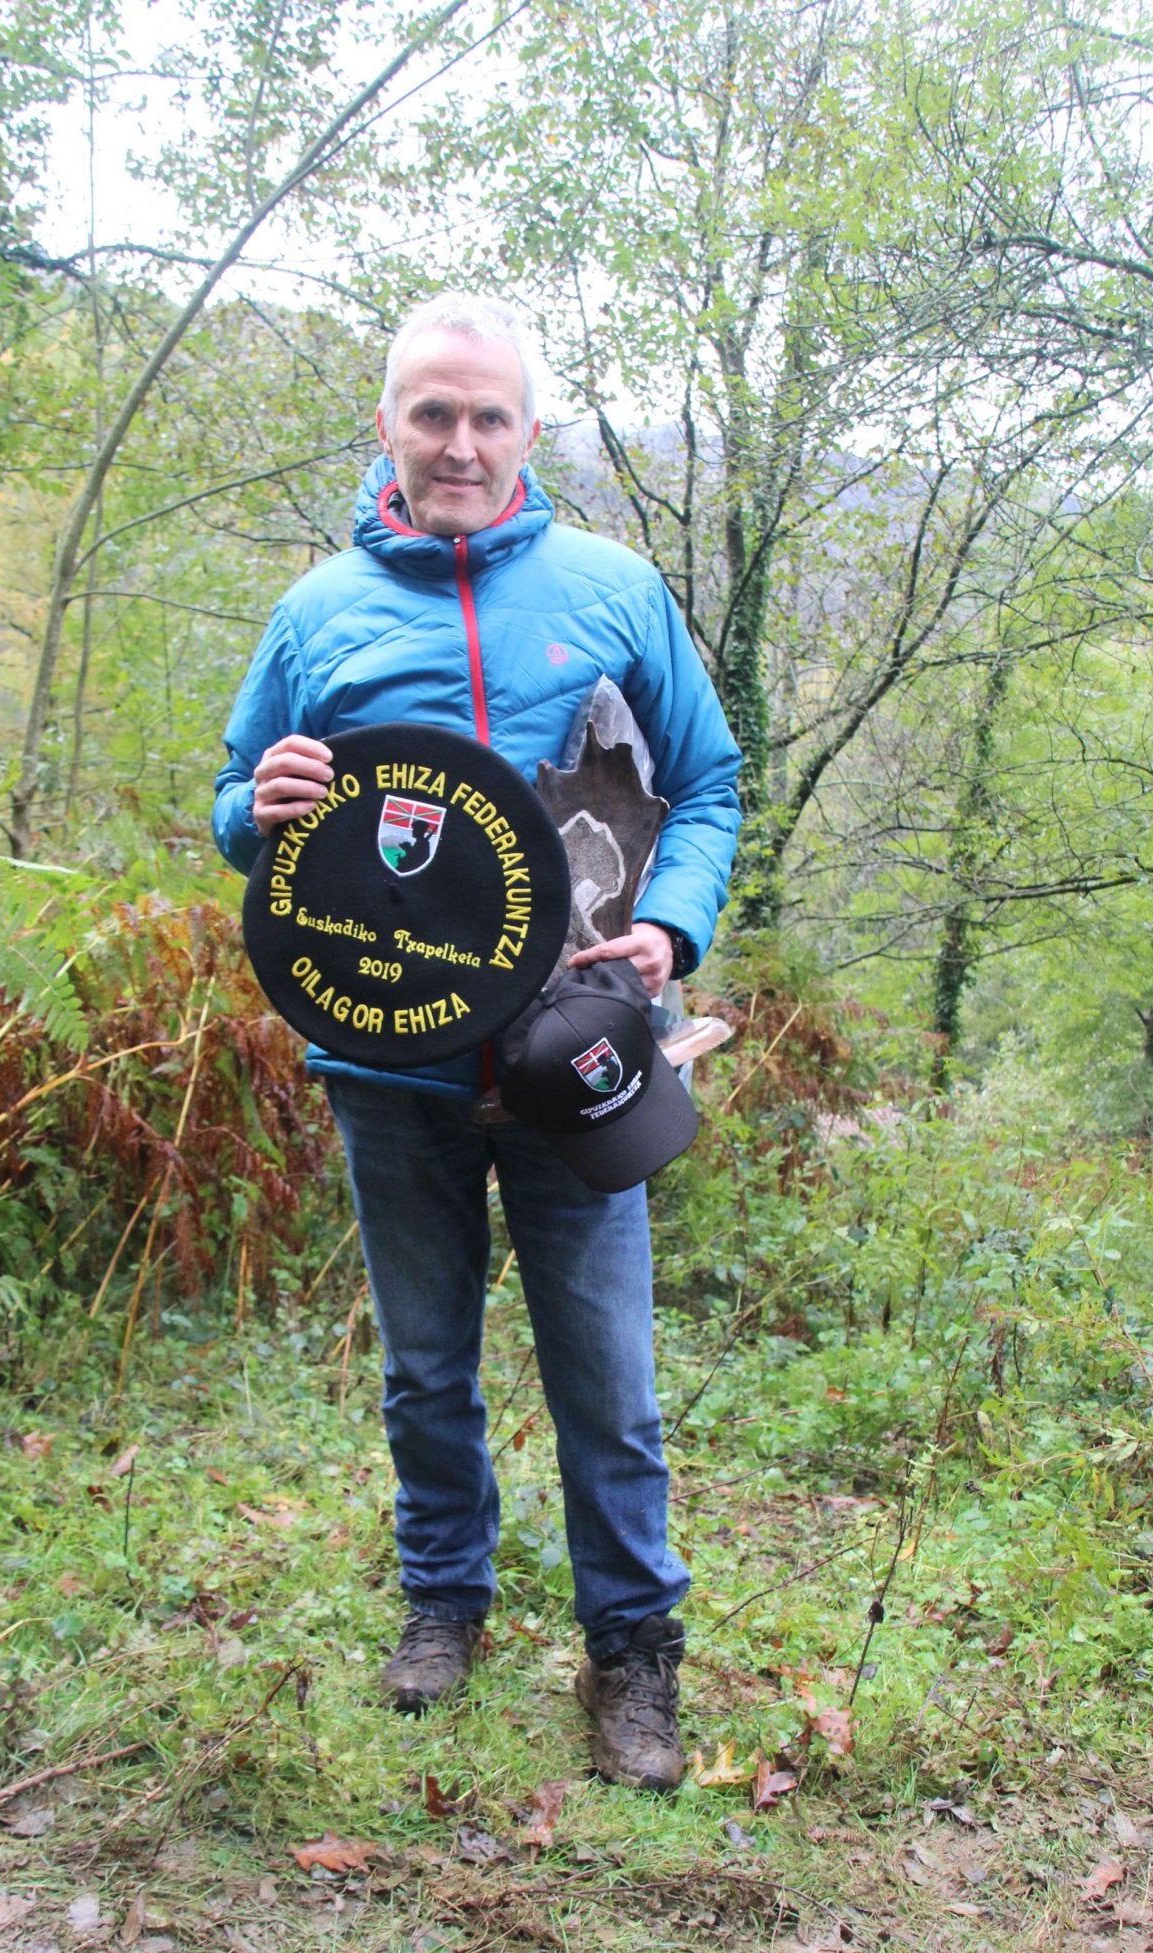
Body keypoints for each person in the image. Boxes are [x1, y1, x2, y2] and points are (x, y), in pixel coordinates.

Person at [213, 293, 741, 1790]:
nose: (459, 443)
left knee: (607, 1380)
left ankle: (633, 1650)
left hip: (580, 1053)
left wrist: (673, 931)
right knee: (426, 1365)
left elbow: (708, 785)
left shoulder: (614, 590)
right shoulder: (319, 614)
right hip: (389, 1062)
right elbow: (235, 803)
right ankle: (445, 1600)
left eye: (488, 416)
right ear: (387, 424)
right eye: (431, 413)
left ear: (527, 432)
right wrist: (258, 813)